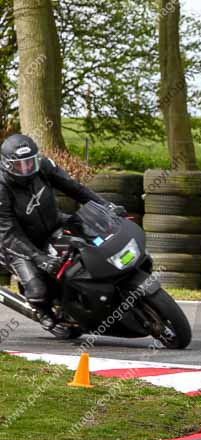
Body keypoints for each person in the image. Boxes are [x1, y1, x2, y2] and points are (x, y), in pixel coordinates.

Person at [0, 134, 117, 330]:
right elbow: (8, 233)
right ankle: (42, 311)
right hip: (17, 243)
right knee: (38, 291)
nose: (27, 169)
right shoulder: (2, 188)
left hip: (53, 224)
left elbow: (75, 189)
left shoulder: (44, 166)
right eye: (20, 166)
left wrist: (106, 206)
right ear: (7, 165)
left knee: (92, 241)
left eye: (30, 163)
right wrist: (39, 258)